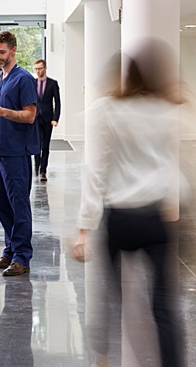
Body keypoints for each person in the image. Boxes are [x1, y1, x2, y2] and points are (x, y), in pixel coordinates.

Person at [72, 40, 185, 367]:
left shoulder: (108, 110)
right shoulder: (165, 111)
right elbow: (172, 166)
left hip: (120, 217)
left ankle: (103, 358)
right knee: (164, 307)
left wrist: (84, 229)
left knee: (108, 297)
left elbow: (97, 171)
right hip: (154, 217)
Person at [0, 31, 39, 276]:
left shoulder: (23, 79)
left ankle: (22, 256)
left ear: (13, 50)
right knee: (2, 204)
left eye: (2, 52)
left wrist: (6, 112)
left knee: (18, 205)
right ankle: (10, 251)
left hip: (16, 152)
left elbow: (30, 115)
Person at [33, 59, 61, 181]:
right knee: (36, 145)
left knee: (45, 146)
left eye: (40, 68)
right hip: (35, 119)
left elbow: (58, 103)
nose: (38, 71)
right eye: (36, 69)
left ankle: (43, 170)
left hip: (48, 119)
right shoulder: (32, 83)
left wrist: (55, 118)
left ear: (45, 68)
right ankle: (36, 168)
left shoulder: (52, 83)